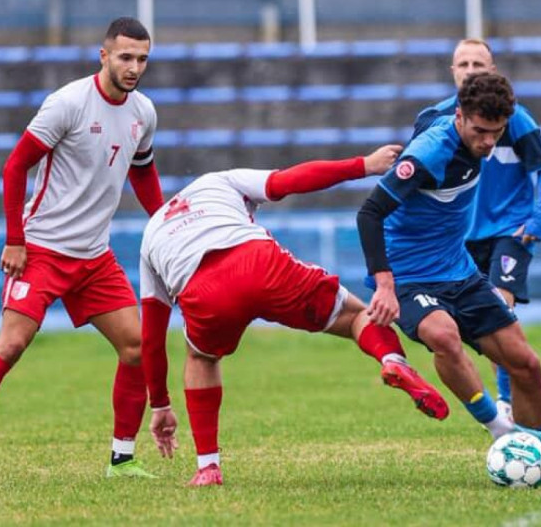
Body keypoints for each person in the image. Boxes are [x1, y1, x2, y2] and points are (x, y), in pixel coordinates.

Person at [140, 145, 449, 487]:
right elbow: (290, 181)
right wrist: (364, 165)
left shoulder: (151, 234)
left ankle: (208, 467)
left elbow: (151, 337)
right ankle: (392, 360)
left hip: (203, 292)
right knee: (355, 316)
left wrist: (160, 404)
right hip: (257, 261)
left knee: (201, 357)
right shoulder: (218, 182)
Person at [358, 72, 541, 484]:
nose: (489, 142)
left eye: (497, 133)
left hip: (460, 271)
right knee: (444, 336)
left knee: (527, 365)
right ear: (460, 116)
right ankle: (502, 432)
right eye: (481, 131)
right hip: (410, 278)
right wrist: (384, 284)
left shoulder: (495, 133)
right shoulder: (430, 152)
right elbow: (369, 213)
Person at [0, 17, 165, 477]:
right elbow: (15, 167)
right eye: (125, 56)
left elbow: (142, 171)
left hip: (94, 258)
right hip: (41, 250)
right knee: (12, 344)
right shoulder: (67, 103)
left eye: (141, 58)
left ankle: (121, 461)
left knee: (137, 347)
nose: (134, 66)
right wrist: (16, 240)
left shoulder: (145, 112)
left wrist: (165, 223)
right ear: (104, 56)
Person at [413, 38, 541, 420]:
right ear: (452, 71)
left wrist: (538, 220)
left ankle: (508, 404)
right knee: (466, 330)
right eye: (463, 64)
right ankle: (497, 402)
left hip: (510, 230)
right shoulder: (435, 119)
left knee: (499, 305)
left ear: (492, 71)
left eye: (479, 64)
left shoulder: (514, 118)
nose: (471, 70)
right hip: (459, 238)